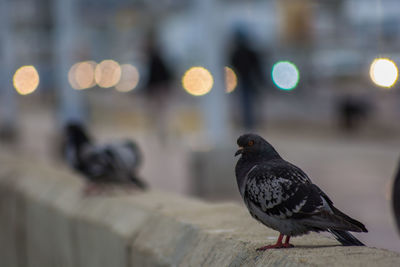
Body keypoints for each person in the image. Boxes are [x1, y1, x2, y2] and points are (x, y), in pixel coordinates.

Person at [229, 29, 266, 130]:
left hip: (245, 79)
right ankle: (249, 121)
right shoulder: (249, 52)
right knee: (249, 101)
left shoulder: (238, 53)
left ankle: (248, 121)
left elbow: (233, 64)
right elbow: (257, 66)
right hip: (248, 79)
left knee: (246, 101)